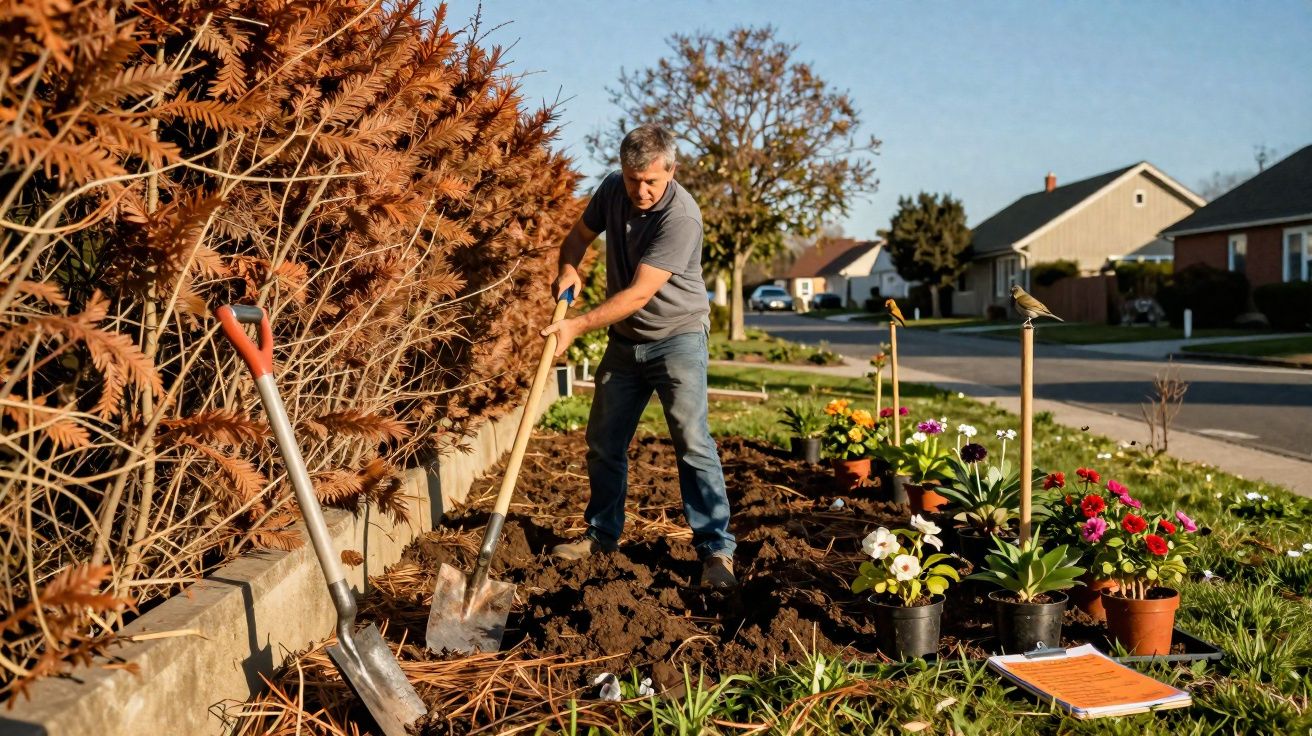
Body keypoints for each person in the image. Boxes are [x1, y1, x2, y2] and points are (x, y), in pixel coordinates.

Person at [540, 123, 737, 588]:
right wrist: (569, 268)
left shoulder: (681, 216)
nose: (641, 190)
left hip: (678, 337)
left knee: (692, 440)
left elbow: (639, 294)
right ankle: (601, 535)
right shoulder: (613, 189)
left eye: (651, 180)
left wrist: (577, 324)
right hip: (627, 343)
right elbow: (575, 241)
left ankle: (716, 551)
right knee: (604, 442)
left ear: (671, 170)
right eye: (633, 179)